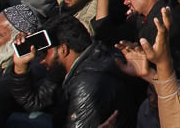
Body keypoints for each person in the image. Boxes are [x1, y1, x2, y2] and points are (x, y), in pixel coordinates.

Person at [10, 14, 138, 127]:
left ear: (63, 50)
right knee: (14, 120)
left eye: (44, 54)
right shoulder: (73, 65)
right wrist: (21, 66)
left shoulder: (87, 84)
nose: (41, 61)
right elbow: (35, 101)